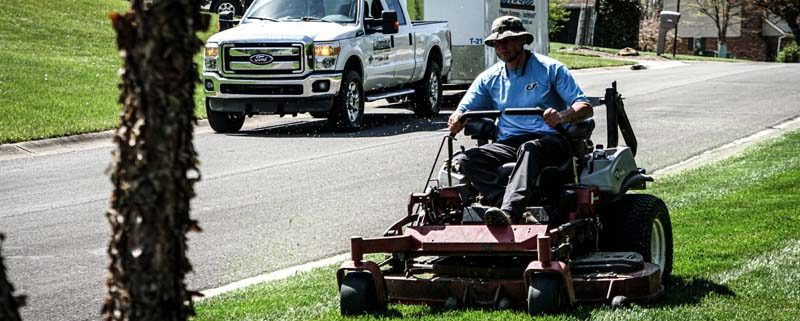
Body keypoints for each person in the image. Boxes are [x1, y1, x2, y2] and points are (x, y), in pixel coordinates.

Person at [448, 16, 593, 226]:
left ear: (522, 40)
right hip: (510, 142)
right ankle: (509, 207)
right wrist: (457, 119)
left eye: (506, 41)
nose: (501, 47)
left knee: (529, 148)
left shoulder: (551, 69)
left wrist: (562, 116)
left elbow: (585, 107)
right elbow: (463, 109)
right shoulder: (489, 78)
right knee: (465, 159)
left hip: (552, 139)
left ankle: (509, 213)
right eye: (497, 43)